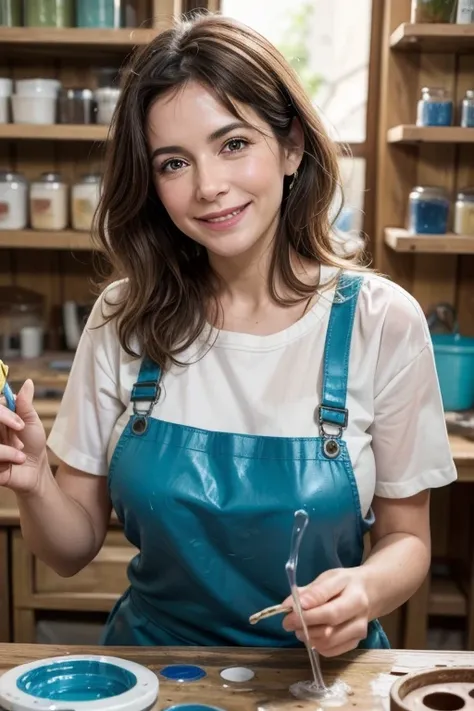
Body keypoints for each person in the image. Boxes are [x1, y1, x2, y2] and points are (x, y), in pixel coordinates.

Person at [0, 13, 456, 654]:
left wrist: (364, 592)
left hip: (319, 678)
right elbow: (69, 551)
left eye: (234, 143)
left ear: (292, 145)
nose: (208, 186)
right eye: (174, 162)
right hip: (157, 668)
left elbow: (408, 542)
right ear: (151, 181)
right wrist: (33, 483)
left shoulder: (383, 321)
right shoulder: (122, 317)